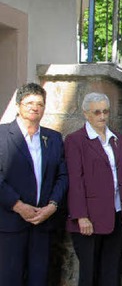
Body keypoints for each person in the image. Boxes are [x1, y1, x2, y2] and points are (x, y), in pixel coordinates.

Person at [66, 92, 122, 286]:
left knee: (111, 269)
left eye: (105, 111)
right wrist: (81, 216)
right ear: (86, 114)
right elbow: (75, 180)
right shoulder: (76, 140)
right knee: (90, 272)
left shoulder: (117, 139)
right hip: (89, 217)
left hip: (116, 213)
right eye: (97, 112)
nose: (102, 116)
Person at [0, 83, 68, 285]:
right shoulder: (2, 135)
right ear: (19, 105)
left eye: (39, 103)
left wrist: (52, 206)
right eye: (29, 102)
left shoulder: (53, 138)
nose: (34, 107)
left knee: (39, 279)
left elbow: (63, 176)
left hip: (42, 223)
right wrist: (18, 206)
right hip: (10, 223)